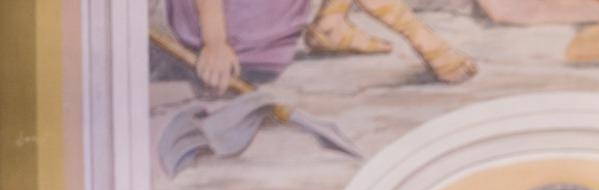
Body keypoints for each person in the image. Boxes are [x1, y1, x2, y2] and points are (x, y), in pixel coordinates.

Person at [166, 0, 476, 91]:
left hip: (260, 26)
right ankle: (423, 38)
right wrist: (215, 42)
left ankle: (331, 22)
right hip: (233, 32)